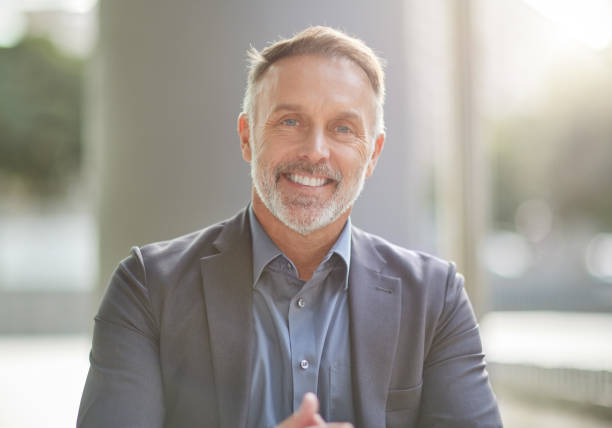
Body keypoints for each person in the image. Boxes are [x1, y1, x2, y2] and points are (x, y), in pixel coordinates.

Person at [77, 26, 503, 428]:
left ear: (373, 154)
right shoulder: (149, 287)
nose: (315, 151)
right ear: (247, 137)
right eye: (290, 121)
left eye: (342, 128)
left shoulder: (435, 298)